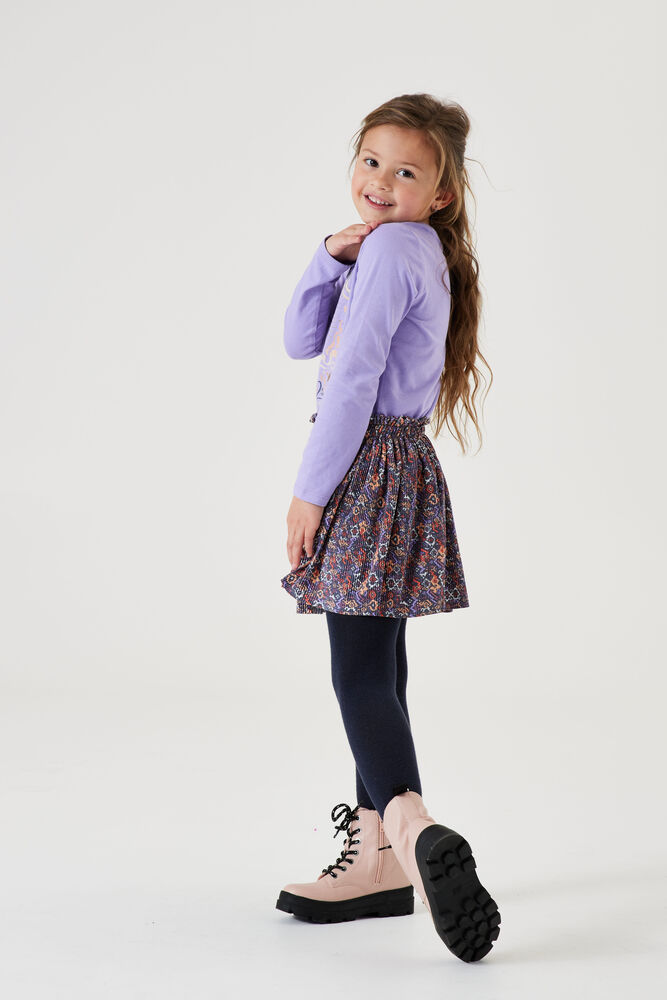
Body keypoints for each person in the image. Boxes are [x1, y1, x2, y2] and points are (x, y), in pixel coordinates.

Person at [275, 93, 501, 963]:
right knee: (383, 665)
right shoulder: (403, 249)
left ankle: (408, 827)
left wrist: (309, 493)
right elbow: (302, 336)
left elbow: (351, 376)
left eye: (405, 171)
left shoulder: (395, 250)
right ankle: (376, 857)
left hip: (363, 465)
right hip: (403, 466)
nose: (380, 181)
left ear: (439, 193)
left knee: (357, 673)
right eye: (370, 161)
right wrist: (329, 254)